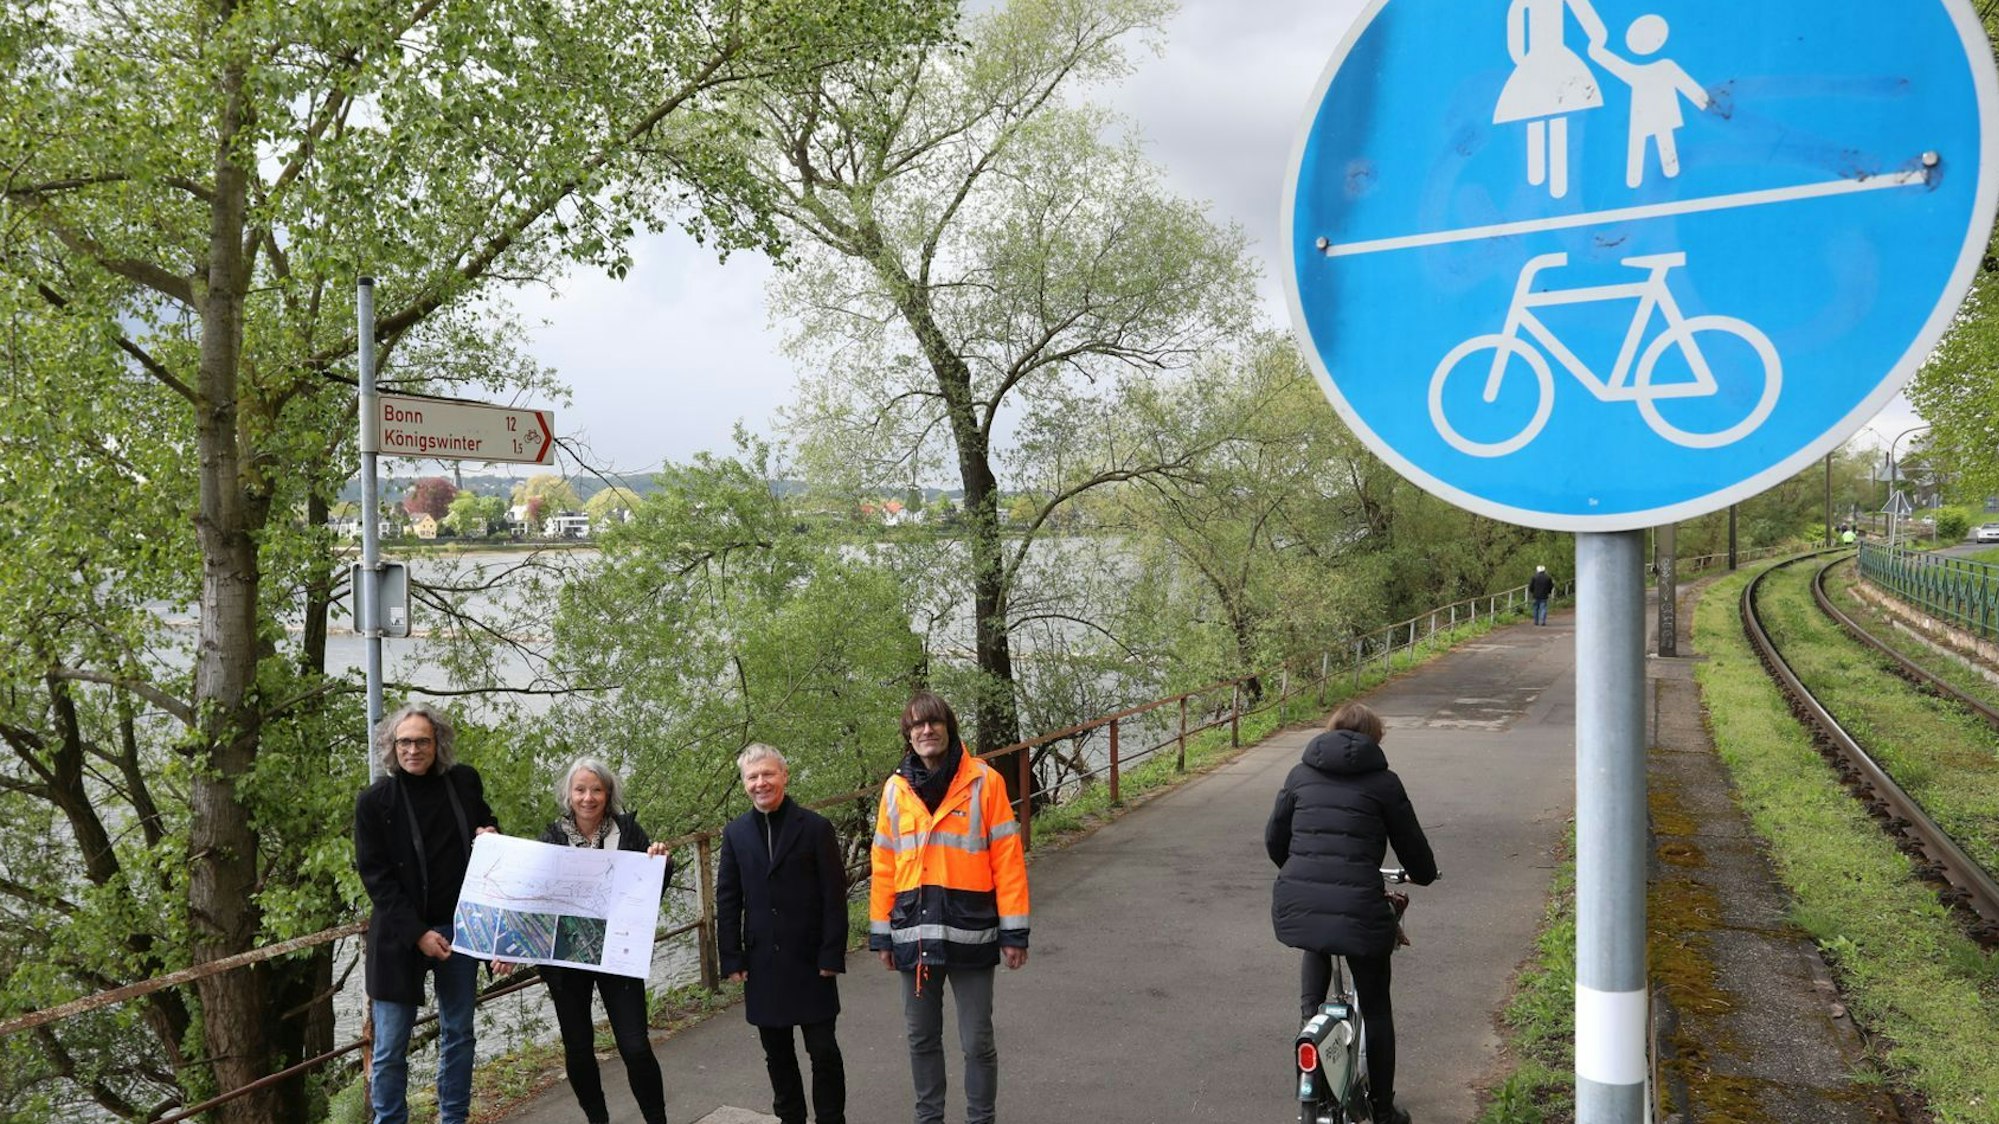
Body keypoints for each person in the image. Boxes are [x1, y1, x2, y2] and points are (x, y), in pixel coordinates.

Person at [1266, 702, 1438, 1124]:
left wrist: (1300, 870)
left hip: (1299, 901)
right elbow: (1412, 846)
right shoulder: (1383, 783)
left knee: (1317, 941)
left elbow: (1275, 839)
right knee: (1377, 1009)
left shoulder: (1298, 774)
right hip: (1359, 906)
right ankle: (1382, 1111)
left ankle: (1311, 1025)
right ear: (1374, 738)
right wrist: (1422, 875)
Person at [869, 691, 1030, 1124]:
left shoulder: (984, 781)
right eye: (917, 725)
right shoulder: (895, 791)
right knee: (921, 1039)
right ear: (908, 734)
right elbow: (883, 864)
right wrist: (881, 934)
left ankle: (981, 1119)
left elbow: (1008, 861)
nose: (926, 731)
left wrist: (1014, 932)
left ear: (948, 727)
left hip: (971, 930)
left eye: (934, 723)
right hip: (914, 933)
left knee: (977, 1041)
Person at [354, 702, 500, 1124]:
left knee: (459, 1035)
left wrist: (490, 833)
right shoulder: (374, 801)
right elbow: (376, 877)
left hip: (460, 930)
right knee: (390, 1047)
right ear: (391, 746)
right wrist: (418, 934)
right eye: (404, 742)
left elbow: (487, 826)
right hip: (401, 936)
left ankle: (453, 1118)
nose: (413, 749)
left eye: (422, 741)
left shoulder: (463, 782)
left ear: (438, 744)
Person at [533, 758, 673, 1124]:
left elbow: (649, 891)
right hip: (568, 961)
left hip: (618, 954)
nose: (588, 797)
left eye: (596, 789)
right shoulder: (550, 839)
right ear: (568, 794)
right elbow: (535, 899)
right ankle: (598, 1120)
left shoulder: (628, 831)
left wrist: (661, 863)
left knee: (636, 1046)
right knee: (578, 1050)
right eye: (580, 789)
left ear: (608, 793)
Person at [717, 745, 849, 1124]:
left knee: (823, 1050)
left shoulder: (815, 828)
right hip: (763, 963)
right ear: (744, 784)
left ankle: (830, 1118)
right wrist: (732, 957)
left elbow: (833, 896)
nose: (761, 783)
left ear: (784, 776)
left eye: (768, 774)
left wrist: (831, 954)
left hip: (810, 960)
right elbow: (728, 898)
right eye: (752, 777)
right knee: (777, 1053)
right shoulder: (736, 833)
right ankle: (790, 1118)